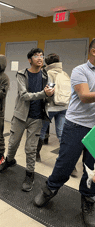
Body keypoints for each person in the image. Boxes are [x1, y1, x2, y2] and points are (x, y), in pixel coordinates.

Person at [34, 39, 95, 227]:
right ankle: (49, 190)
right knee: (65, 164)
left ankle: (88, 201)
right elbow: (84, 96)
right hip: (76, 125)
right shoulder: (80, 71)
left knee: (92, 170)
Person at [0, 48, 54, 192]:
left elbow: (49, 97)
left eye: (41, 55)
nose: (40, 58)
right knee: (13, 143)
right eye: (36, 56)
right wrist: (43, 93)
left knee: (31, 148)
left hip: (37, 117)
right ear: (30, 60)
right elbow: (24, 95)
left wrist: (50, 95)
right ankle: (9, 161)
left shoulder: (46, 75)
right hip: (20, 115)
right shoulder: (22, 74)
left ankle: (30, 174)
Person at [36, 53, 70, 162]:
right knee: (61, 135)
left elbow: (47, 91)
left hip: (49, 108)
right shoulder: (64, 73)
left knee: (41, 131)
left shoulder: (47, 73)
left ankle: (36, 154)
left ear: (47, 63)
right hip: (63, 107)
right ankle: (69, 162)